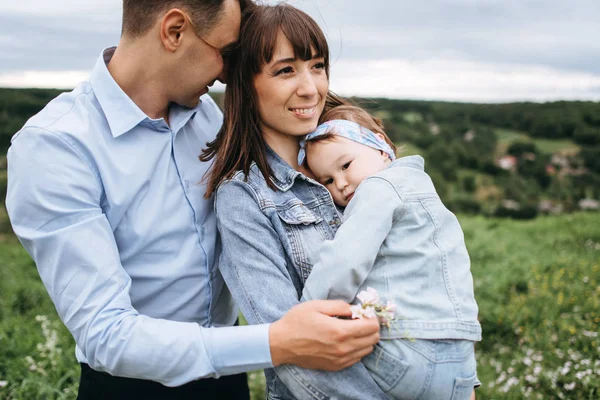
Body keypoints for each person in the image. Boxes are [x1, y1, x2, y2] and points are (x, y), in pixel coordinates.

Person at [5, 1, 381, 398]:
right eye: (226, 52)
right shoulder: (56, 146)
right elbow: (106, 333)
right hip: (130, 388)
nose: (225, 74)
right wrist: (276, 342)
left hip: (230, 379)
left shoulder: (213, 121)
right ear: (174, 31)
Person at [202, 4, 394, 400]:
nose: (310, 88)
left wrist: (459, 378)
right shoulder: (244, 198)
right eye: (286, 70)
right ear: (245, 83)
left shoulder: (357, 153)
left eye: (318, 65)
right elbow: (292, 352)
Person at [297, 105, 483, 399]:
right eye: (328, 181)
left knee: (306, 368)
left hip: (407, 348)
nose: (341, 184)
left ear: (381, 146)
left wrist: (306, 313)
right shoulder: (423, 191)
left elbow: (345, 260)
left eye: (345, 166)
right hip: (460, 357)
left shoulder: (379, 187)